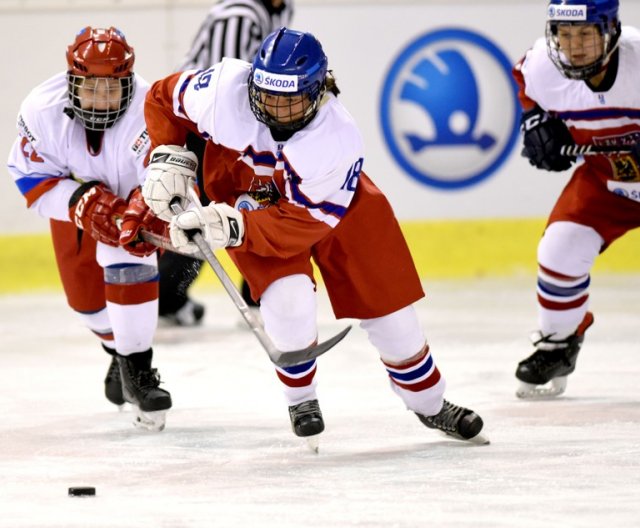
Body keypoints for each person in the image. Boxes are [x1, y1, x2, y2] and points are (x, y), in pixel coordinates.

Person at [141, 28, 487, 445]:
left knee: (394, 320)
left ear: (319, 91)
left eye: (291, 100)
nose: (276, 110)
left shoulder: (336, 137)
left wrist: (233, 227)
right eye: (268, 96)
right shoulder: (222, 90)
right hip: (249, 194)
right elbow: (162, 98)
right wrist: (169, 156)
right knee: (287, 303)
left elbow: (304, 224)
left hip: (334, 212)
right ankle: (301, 398)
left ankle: (431, 405)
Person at [7, 27, 172, 430]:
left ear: (128, 84)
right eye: (91, 88)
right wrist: (80, 202)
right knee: (87, 305)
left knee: (127, 252)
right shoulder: (41, 109)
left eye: (112, 89)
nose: (102, 99)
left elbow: (162, 173)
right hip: (76, 207)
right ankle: (119, 352)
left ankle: (138, 368)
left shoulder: (149, 109)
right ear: (72, 83)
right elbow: (30, 180)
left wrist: (141, 207)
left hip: (132, 203)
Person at [513, 0, 640, 398]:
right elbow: (524, 82)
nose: (575, 46)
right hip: (605, 183)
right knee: (559, 249)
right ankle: (559, 343)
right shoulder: (542, 67)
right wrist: (534, 122)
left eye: (586, 33)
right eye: (565, 34)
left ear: (611, 31)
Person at [158, 0, 294, 326]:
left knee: (258, 200)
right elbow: (222, 92)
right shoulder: (237, 16)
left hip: (242, 128)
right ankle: (166, 298)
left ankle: (258, 294)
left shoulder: (280, 9)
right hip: (207, 129)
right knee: (206, 212)